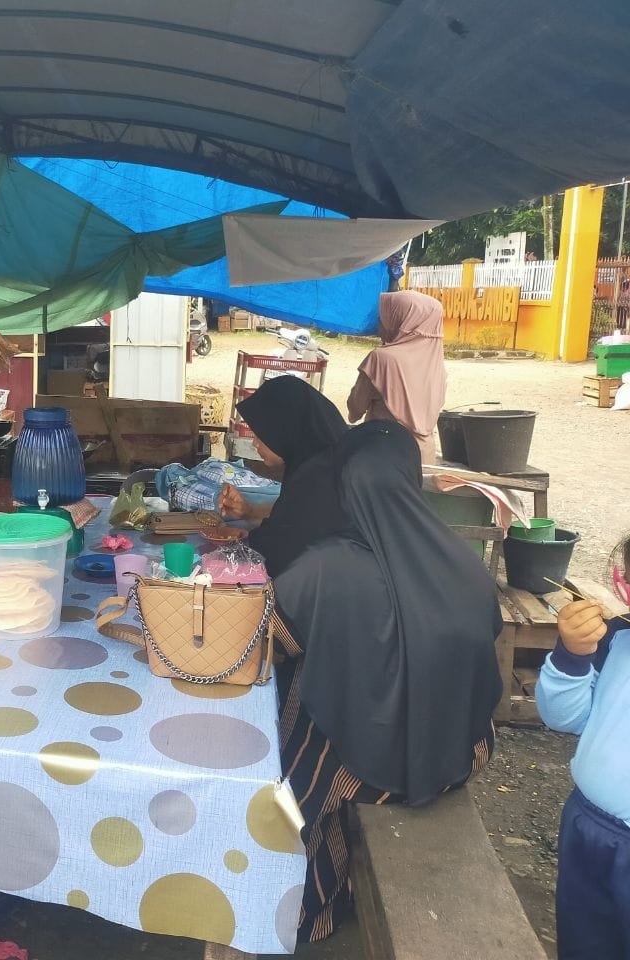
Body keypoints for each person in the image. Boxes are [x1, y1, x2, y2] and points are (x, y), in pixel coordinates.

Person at [272, 421, 501, 941]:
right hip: (458, 751)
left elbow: (275, 641)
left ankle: (314, 905)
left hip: (365, 771)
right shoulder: (465, 564)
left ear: (344, 487)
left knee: (297, 708)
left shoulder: (324, 567)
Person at [535, 535, 629, 959]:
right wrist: (574, 655)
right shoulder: (617, 639)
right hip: (586, 826)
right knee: (585, 943)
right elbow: (565, 718)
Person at [217, 375, 349, 577]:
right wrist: (249, 511)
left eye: (261, 434)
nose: (255, 444)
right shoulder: (310, 463)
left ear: (284, 430)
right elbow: (288, 514)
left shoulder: (321, 478)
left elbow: (280, 546)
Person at [346, 289, 447, 463]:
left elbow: (355, 408)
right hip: (423, 458)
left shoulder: (382, 358)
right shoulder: (436, 364)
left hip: (384, 453)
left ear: (402, 320)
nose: (380, 322)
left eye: (386, 316)